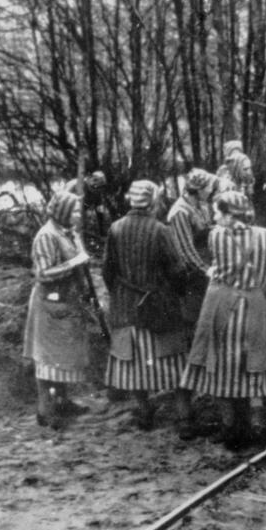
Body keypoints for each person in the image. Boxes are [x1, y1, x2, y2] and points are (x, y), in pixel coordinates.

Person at [180, 191, 266, 448]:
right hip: (252, 307)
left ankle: (229, 426)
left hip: (219, 305)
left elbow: (222, 263)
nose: (215, 218)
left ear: (230, 215)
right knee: (254, 364)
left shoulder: (216, 236)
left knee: (220, 363)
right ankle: (256, 424)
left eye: (218, 213)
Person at [103, 180, 192, 431]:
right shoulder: (160, 230)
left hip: (125, 308)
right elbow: (178, 270)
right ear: (153, 201)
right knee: (174, 363)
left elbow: (107, 271)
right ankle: (183, 417)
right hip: (159, 307)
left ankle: (144, 413)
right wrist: (178, 293)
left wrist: (121, 294)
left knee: (132, 364)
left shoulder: (115, 228)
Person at [23, 190, 92, 429]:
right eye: (73, 211)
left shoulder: (68, 233)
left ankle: (62, 402)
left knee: (62, 360)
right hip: (49, 305)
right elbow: (43, 273)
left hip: (65, 302)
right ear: (62, 211)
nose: (77, 215)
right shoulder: (46, 236)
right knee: (48, 362)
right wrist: (74, 262)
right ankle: (45, 411)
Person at [166, 168, 217, 326]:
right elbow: (185, 250)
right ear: (198, 189)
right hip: (190, 273)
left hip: (202, 269)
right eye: (208, 187)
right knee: (192, 315)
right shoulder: (180, 212)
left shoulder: (199, 206)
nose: (211, 190)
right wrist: (205, 270)